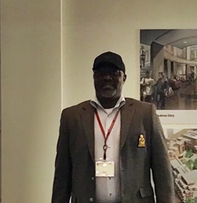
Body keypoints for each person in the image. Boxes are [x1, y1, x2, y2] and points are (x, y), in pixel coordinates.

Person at [51, 51, 174, 203]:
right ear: (94, 77)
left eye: (114, 73)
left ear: (124, 78)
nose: (107, 77)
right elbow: (62, 175)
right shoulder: (72, 117)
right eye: (100, 73)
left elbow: (162, 170)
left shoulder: (145, 113)